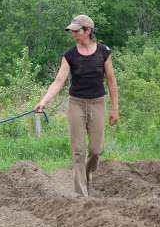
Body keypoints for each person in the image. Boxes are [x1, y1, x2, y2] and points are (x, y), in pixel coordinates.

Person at [35, 15, 119, 196]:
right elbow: (58, 81)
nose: (73, 34)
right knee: (78, 151)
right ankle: (82, 195)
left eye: (76, 30)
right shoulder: (69, 55)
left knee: (96, 150)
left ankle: (88, 174)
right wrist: (44, 101)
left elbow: (111, 81)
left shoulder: (104, 52)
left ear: (88, 31)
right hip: (76, 104)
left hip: (97, 103)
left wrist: (114, 109)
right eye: (72, 31)